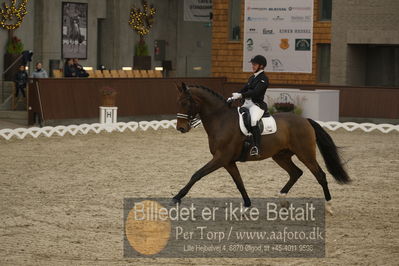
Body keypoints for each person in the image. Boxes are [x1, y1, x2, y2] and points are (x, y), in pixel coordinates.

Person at [228, 55, 269, 156]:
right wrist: (234, 96)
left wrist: (241, 95)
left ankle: (256, 147)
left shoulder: (263, 79)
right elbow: (244, 89)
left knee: (253, 121)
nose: (253, 66)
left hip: (257, 105)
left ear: (261, 66)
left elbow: (255, 92)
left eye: (255, 64)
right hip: (247, 104)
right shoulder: (252, 77)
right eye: (252, 64)